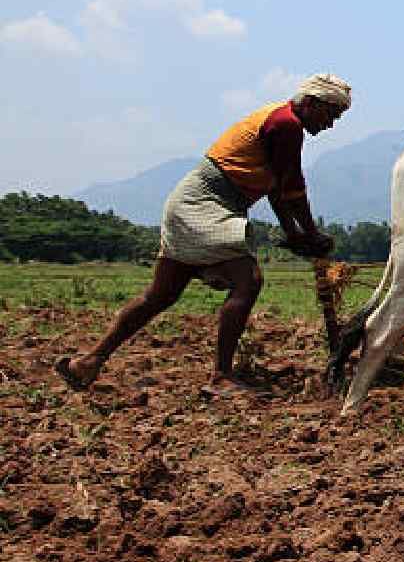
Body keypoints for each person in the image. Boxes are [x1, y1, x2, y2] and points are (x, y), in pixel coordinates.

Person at [55, 74, 352, 397]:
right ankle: (221, 377)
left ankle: (87, 362)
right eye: (331, 115)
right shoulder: (286, 125)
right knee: (247, 280)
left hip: (191, 202)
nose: (331, 125)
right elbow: (292, 188)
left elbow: (278, 191)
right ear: (310, 103)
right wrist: (309, 234)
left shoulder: (280, 119)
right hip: (205, 204)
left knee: (160, 295)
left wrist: (297, 236)